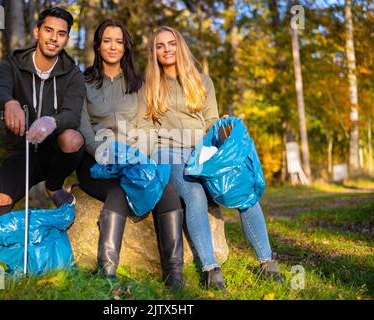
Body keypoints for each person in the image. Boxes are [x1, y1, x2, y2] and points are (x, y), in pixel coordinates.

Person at [139, 26, 283, 292]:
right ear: (154, 52)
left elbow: (210, 122)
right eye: (160, 46)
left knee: (242, 191)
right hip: (168, 152)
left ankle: (267, 263)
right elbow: (146, 130)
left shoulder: (202, 81)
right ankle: (210, 269)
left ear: (180, 46)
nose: (166, 49)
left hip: (202, 151)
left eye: (171, 43)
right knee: (195, 196)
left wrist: (224, 130)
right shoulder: (148, 86)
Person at [77, 20, 184, 292]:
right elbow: (83, 126)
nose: (113, 46)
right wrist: (101, 152)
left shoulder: (138, 84)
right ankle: (107, 275)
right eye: (107, 40)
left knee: (167, 190)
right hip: (96, 161)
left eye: (119, 41)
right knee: (117, 193)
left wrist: (137, 156)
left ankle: (175, 277)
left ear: (126, 47)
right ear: (98, 45)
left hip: (133, 158)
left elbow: (146, 125)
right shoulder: (83, 81)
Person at [0, 7, 85, 257]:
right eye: (48, 30)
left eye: (61, 33)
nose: (53, 38)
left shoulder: (73, 73)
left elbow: (72, 113)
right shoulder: (12, 65)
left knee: (72, 138)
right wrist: (10, 102)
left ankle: (53, 186)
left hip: (55, 153)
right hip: (22, 152)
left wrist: (51, 121)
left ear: (67, 38)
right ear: (37, 31)